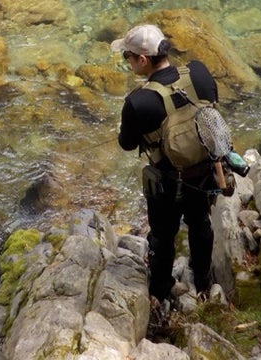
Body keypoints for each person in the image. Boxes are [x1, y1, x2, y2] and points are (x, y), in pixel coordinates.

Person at [112, 23, 222, 308]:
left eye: (128, 57)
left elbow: (126, 143)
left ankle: (161, 289)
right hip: (206, 173)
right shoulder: (198, 72)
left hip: (167, 182)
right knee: (200, 222)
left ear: (143, 60)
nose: (128, 61)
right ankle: (203, 280)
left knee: (162, 235)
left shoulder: (137, 102)